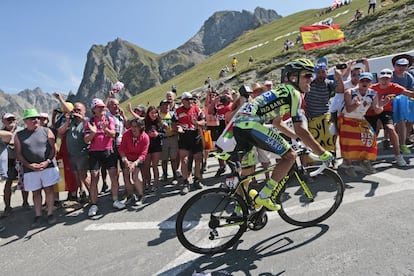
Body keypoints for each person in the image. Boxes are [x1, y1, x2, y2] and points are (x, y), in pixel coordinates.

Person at [230, 59, 334, 211]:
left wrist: (296, 139)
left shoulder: (281, 92)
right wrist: (322, 153)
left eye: (311, 75)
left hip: (240, 126)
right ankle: (265, 195)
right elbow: (301, 129)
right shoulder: (294, 93)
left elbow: (278, 123)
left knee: (247, 171)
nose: (310, 79)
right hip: (251, 125)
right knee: (290, 156)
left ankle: (240, 210)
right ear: (294, 77)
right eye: (306, 75)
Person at [14, 108, 61, 227]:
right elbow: (18, 154)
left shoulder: (46, 131)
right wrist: (29, 165)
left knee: (49, 190)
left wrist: (48, 161)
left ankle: (50, 213)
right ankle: (38, 215)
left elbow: (54, 148)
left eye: (36, 118)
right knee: (36, 192)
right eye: (32, 118)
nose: (35, 120)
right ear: (25, 120)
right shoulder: (19, 135)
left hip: (48, 167)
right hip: (30, 169)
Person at [84, 98, 125, 217]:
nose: (102, 109)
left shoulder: (109, 119)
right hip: (94, 152)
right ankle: (94, 204)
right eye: (99, 107)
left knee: (114, 175)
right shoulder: (89, 122)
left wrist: (105, 129)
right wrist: (93, 132)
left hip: (108, 151)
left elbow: (113, 135)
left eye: (103, 107)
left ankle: (116, 200)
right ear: (94, 109)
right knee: (94, 177)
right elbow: (86, 139)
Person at [339, 72, 385, 177]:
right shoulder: (349, 92)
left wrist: (382, 105)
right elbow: (348, 109)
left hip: (360, 119)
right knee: (349, 142)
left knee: (371, 137)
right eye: (362, 80)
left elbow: (377, 110)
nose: (364, 83)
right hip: (347, 118)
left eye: (367, 81)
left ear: (371, 83)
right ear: (358, 82)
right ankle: (349, 166)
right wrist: (355, 104)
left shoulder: (373, 93)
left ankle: (364, 160)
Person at [365, 68, 414, 167]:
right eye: (383, 78)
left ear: (391, 79)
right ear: (379, 79)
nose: (384, 81)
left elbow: (408, 93)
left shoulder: (395, 87)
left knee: (391, 129)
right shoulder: (372, 89)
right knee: (373, 132)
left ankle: (398, 155)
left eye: (387, 79)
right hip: (371, 112)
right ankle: (367, 156)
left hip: (386, 111)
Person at [304, 60, 344, 164]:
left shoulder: (329, 83)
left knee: (330, 140)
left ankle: (332, 161)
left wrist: (339, 78)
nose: (321, 74)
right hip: (312, 117)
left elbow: (340, 90)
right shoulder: (310, 83)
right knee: (313, 142)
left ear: (327, 72)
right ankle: (311, 165)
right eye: (319, 72)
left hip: (326, 115)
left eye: (323, 72)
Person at [173, 92, 205, 195]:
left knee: (198, 158)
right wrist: (177, 128)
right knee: (184, 159)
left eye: (191, 99)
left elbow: (203, 121)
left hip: (195, 136)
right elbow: (173, 123)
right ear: (183, 101)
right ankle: (185, 182)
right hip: (184, 137)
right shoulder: (177, 111)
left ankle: (197, 179)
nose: (190, 101)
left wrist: (197, 123)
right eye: (187, 99)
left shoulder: (196, 109)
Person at [57, 102, 90, 203]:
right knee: (77, 176)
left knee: (83, 176)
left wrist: (81, 118)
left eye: (79, 110)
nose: (76, 112)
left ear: (84, 111)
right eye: (75, 110)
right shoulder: (71, 122)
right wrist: (67, 122)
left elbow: (91, 128)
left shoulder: (86, 121)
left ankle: (93, 195)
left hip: (82, 154)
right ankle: (82, 192)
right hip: (72, 154)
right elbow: (60, 132)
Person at [1, 113, 29, 217]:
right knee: (8, 184)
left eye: (12, 119)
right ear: (3, 121)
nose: (11, 121)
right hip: (8, 161)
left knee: (24, 182)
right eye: (8, 119)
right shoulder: (1, 133)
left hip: (21, 159)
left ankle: (25, 203)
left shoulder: (22, 130)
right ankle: (7, 207)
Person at [119, 118, 149, 206]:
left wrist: (135, 163)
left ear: (141, 127)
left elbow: (143, 154)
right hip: (127, 158)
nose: (133, 129)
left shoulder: (145, 137)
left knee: (135, 176)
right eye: (132, 127)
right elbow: (121, 149)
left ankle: (141, 195)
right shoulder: (126, 134)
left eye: (136, 127)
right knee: (126, 175)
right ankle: (130, 195)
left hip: (138, 159)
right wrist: (125, 160)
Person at [391, 54, 414, 154]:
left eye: (404, 66)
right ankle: (401, 144)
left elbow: (411, 89)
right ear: (395, 66)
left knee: (410, 119)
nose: (401, 68)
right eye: (399, 65)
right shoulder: (390, 76)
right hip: (392, 101)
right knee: (401, 120)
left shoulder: (408, 76)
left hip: (407, 100)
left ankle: (406, 137)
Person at [142, 106, 164, 193]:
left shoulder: (160, 122)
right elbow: (141, 133)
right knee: (146, 166)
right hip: (146, 146)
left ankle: (156, 183)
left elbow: (164, 133)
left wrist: (157, 134)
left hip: (157, 145)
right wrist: (148, 135)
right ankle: (148, 182)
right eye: (152, 113)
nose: (154, 115)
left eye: (155, 113)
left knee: (155, 165)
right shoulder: (144, 123)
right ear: (148, 113)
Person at [159, 99, 179, 184]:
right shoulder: (158, 116)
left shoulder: (172, 114)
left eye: (168, 104)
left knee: (173, 158)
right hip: (163, 139)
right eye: (164, 104)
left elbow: (177, 124)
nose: (167, 106)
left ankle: (175, 176)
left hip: (173, 137)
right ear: (161, 106)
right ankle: (165, 176)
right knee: (164, 159)